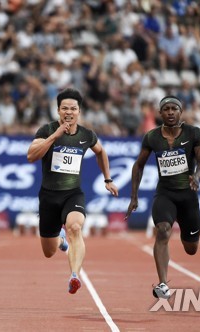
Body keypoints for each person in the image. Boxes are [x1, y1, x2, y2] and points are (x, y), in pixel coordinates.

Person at [27, 88, 119, 294]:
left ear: (79, 111)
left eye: (73, 108)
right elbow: (31, 156)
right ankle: (60, 240)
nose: (69, 112)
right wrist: (55, 136)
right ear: (58, 110)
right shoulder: (46, 130)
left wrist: (108, 178)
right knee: (49, 252)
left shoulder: (86, 135)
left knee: (76, 227)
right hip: (49, 197)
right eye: (65, 108)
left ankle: (74, 275)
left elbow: (101, 151)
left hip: (72, 194)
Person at [126, 95, 200, 299]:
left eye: (174, 108)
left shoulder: (193, 133)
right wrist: (134, 196)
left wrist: (197, 176)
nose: (170, 112)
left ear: (181, 112)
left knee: (191, 249)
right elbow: (138, 165)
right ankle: (163, 283)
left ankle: (185, 234)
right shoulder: (152, 137)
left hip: (188, 197)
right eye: (166, 109)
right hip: (165, 194)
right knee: (162, 231)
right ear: (160, 113)